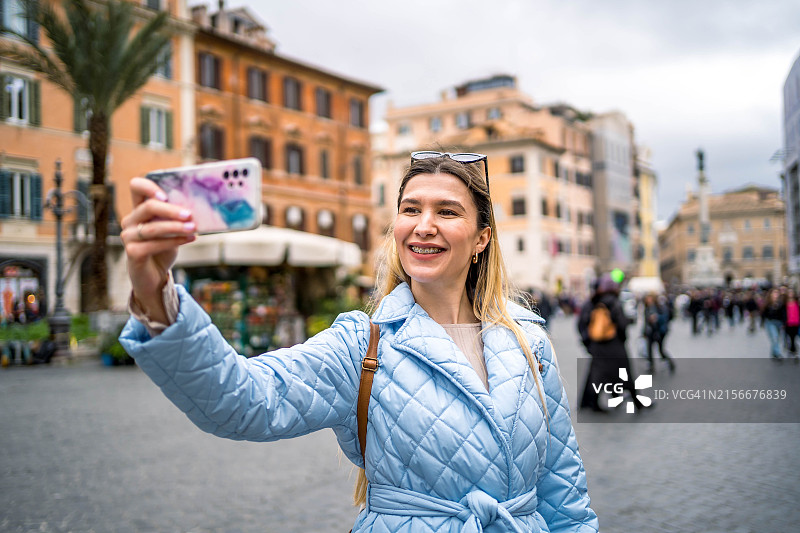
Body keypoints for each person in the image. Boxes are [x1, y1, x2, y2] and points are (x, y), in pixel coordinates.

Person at [118, 152, 598, 532]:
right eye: (411, 209)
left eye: (447, 211)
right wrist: (154, 289)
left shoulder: (527, 341)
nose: (423, 224)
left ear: (481, 239)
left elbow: (564, 491)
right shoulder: (363, 344)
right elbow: (242, 400)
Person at [577, 274, 646, 412]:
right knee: (625, 373)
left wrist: (588, 342)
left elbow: (582, 323)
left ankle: (592, 403)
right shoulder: (614, 301)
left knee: (598, 375)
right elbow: (621, 324)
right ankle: (636, 401)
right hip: (614, 345)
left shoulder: (593, 301)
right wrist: (622, 338)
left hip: (597, 346)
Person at [642, 294, 675, 374]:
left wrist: (657, 318)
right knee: (649, 349)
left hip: (659, 331)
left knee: (660, 349)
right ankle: (651, 366)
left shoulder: (659, 307)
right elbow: (646, 322)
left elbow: (665, 317)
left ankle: (670, 362)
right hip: (650, 331)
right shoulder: (647, 308)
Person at [761, 288, 785, 360]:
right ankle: (778, 353)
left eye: (777, 293)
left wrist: (784, 322)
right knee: (775, 337)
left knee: (776, 338)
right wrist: (762, 322)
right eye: (774, 293)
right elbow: (763, 313)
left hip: (779, 323)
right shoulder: (768, 303)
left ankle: (773, 353)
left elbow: (783, 313)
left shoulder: (780, 303)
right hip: (770, 322)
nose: (775, 295)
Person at [784, 289, 800, 359]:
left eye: (792, 292)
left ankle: (793, 349)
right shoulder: (785, 303)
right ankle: (792, 349)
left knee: (794, 337)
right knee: (790, 337)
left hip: (796, 322)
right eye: (789, 292)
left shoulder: (797, 303)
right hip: (788, 323)